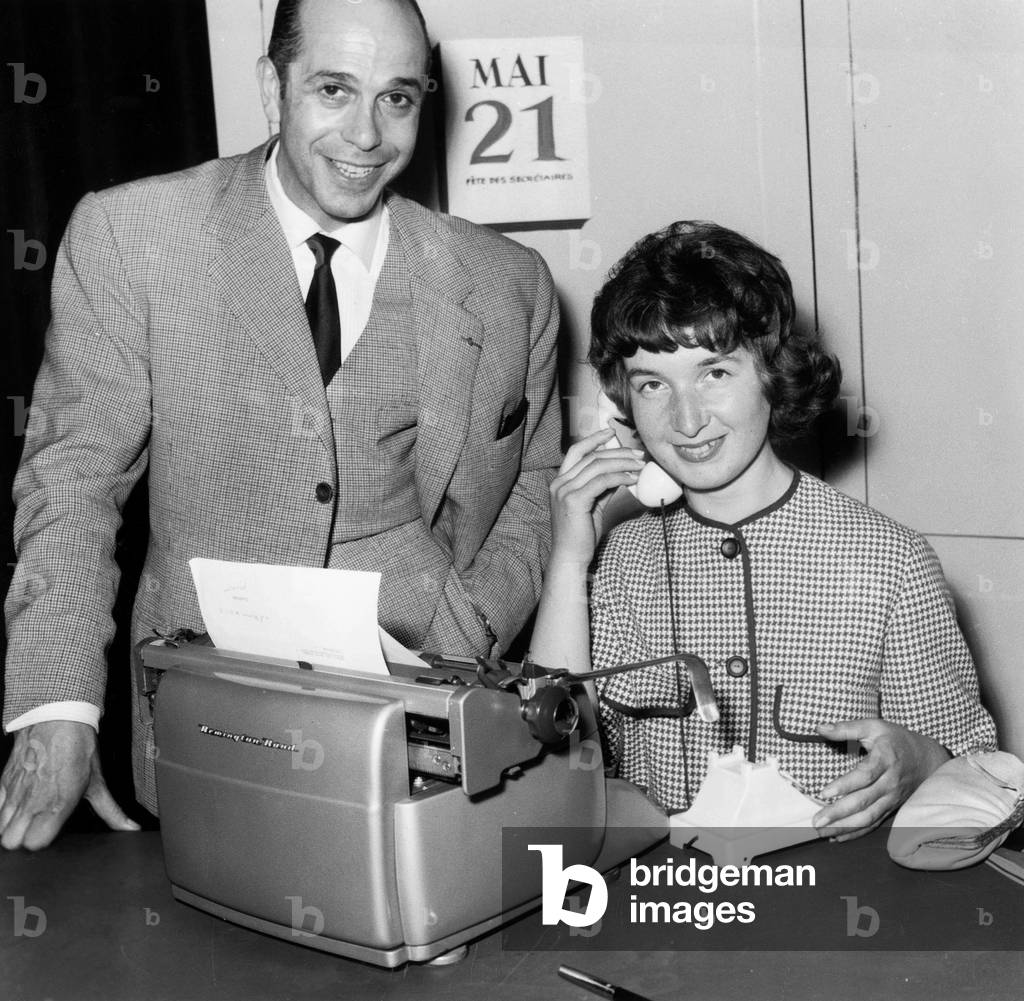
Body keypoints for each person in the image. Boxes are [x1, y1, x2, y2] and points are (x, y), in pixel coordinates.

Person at [0, 0, 562, 850]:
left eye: (397, 98)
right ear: (273, 87)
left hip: (427, 745)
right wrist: (59, 705)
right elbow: (72, 480)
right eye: (334, 90)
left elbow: (534, 481)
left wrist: (469, 629)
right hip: (208, 738)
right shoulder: (133, 236)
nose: (367, 135)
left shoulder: (509, 282)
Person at [531, 220, 996, 840]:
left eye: (715, 374)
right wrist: (567, 563)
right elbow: (551, 767)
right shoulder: (620, 561)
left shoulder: (889, 559)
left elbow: (981, 785)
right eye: (653, 385)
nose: (686, 420)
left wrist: (924, 763)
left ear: (774, 373)